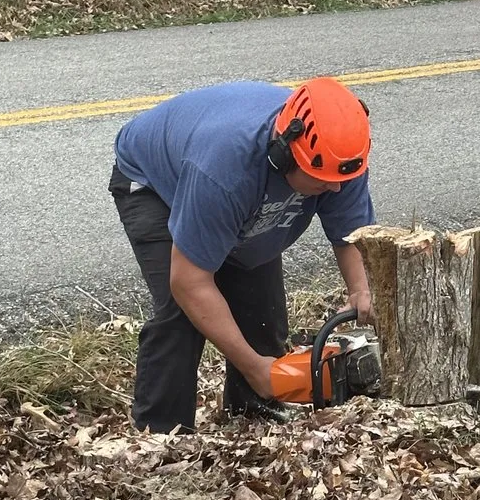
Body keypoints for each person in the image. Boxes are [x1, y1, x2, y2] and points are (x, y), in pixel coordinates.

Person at [109, 76, 376, 433]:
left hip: (239, 187)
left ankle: (252, 417)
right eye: (321, 179)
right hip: (154, 184)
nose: (335, 188)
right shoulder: (224, 171)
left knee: (262, 312)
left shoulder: (338, 158)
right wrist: (255, 367)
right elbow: (190, 283)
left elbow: (351, 236)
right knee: (182, 316)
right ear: (285, 153)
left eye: (339, 179)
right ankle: (162, 435)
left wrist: (361, 289)